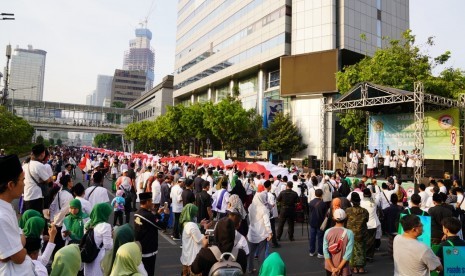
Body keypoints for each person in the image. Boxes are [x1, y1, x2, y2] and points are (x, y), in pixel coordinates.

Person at [134, 192, 170, 276]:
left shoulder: (138, 212)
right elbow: (162, 226)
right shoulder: (147, 215)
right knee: (148, 272)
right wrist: (167, 215)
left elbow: (151, 220)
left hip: (140, 247)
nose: (152, 203)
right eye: (151, 201)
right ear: (147, 202)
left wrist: (157, 213)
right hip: (148, 250)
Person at [84, 203, 114, 276]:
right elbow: (108, 246)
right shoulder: (105, 226)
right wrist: (112, 237)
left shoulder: (88, 223)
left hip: (89, 256)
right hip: (99, 257)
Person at [179, 203, 210, 275]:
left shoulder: (186, 223)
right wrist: (206, 229)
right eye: (195, 212)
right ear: (191, 212)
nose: (196, 214)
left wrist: (200, 224)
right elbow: (199, 239)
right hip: (193, 258)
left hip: (186, 257)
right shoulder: (192, 225)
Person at [247, 192, 273, 274]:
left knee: (251, 252)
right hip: (262, 233)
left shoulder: (251, 206)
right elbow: (267, 222)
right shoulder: (264, 209)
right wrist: (270, 232)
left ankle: (250, 268)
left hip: (251, 233)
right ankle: (262, 270)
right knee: (262, 252)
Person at [323, 209, 354, 276]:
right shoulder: (349, 233)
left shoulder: (327, 232)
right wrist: (338, 268)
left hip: (329, 267)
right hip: (344, 268)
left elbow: (325, 252)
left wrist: (332, 268)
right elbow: (348, 253)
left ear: (333, 219)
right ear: (345, 218)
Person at [23, 144, 53, 213]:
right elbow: (48, 180)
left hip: (26, 196)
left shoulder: (25, 164)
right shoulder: (39, 165)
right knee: (36, 219)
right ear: (42, 154)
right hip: (35, 197)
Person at [345, 192, 369, 274]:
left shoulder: (347, 211)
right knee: (362, 250)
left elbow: (345, 220)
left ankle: (354, 268)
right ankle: (361, 268)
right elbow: (366, 220)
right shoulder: (365, 211)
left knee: (352, 251)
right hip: (362, 234)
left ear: (351, 201)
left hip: (351, 234)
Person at [360, 188, 380, 262]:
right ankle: (370, 256)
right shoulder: (374, 202)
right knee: (371, 241)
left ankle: (363, 255)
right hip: (372, 224)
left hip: (363, 224)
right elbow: (378, 194)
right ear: (370, 194)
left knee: (363, 240)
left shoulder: (361, 202)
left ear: (363, 194)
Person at [308, 189, 328, 258]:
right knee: (320, 238)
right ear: (321, 195)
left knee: (312, 237)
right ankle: (320, 253)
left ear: (315, 194)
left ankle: (311, 251)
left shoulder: (311, 202)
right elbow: (326, 214)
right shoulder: (323, 204)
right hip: (320, 223)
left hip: (312, 222)